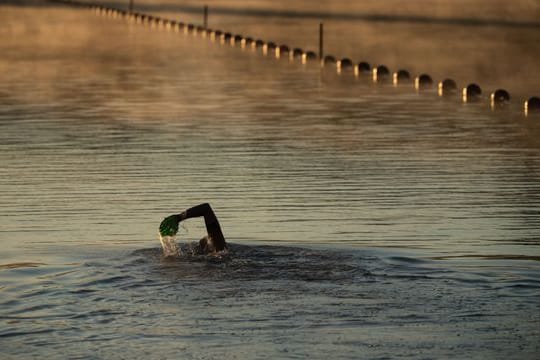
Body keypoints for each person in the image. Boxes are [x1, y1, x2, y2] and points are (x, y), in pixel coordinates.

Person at [158, 203, 227, 256]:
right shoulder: (220, 246)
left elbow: (206, 208)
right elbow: (206, 208)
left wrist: (179, 217)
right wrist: (179, 217)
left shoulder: (218, 244)